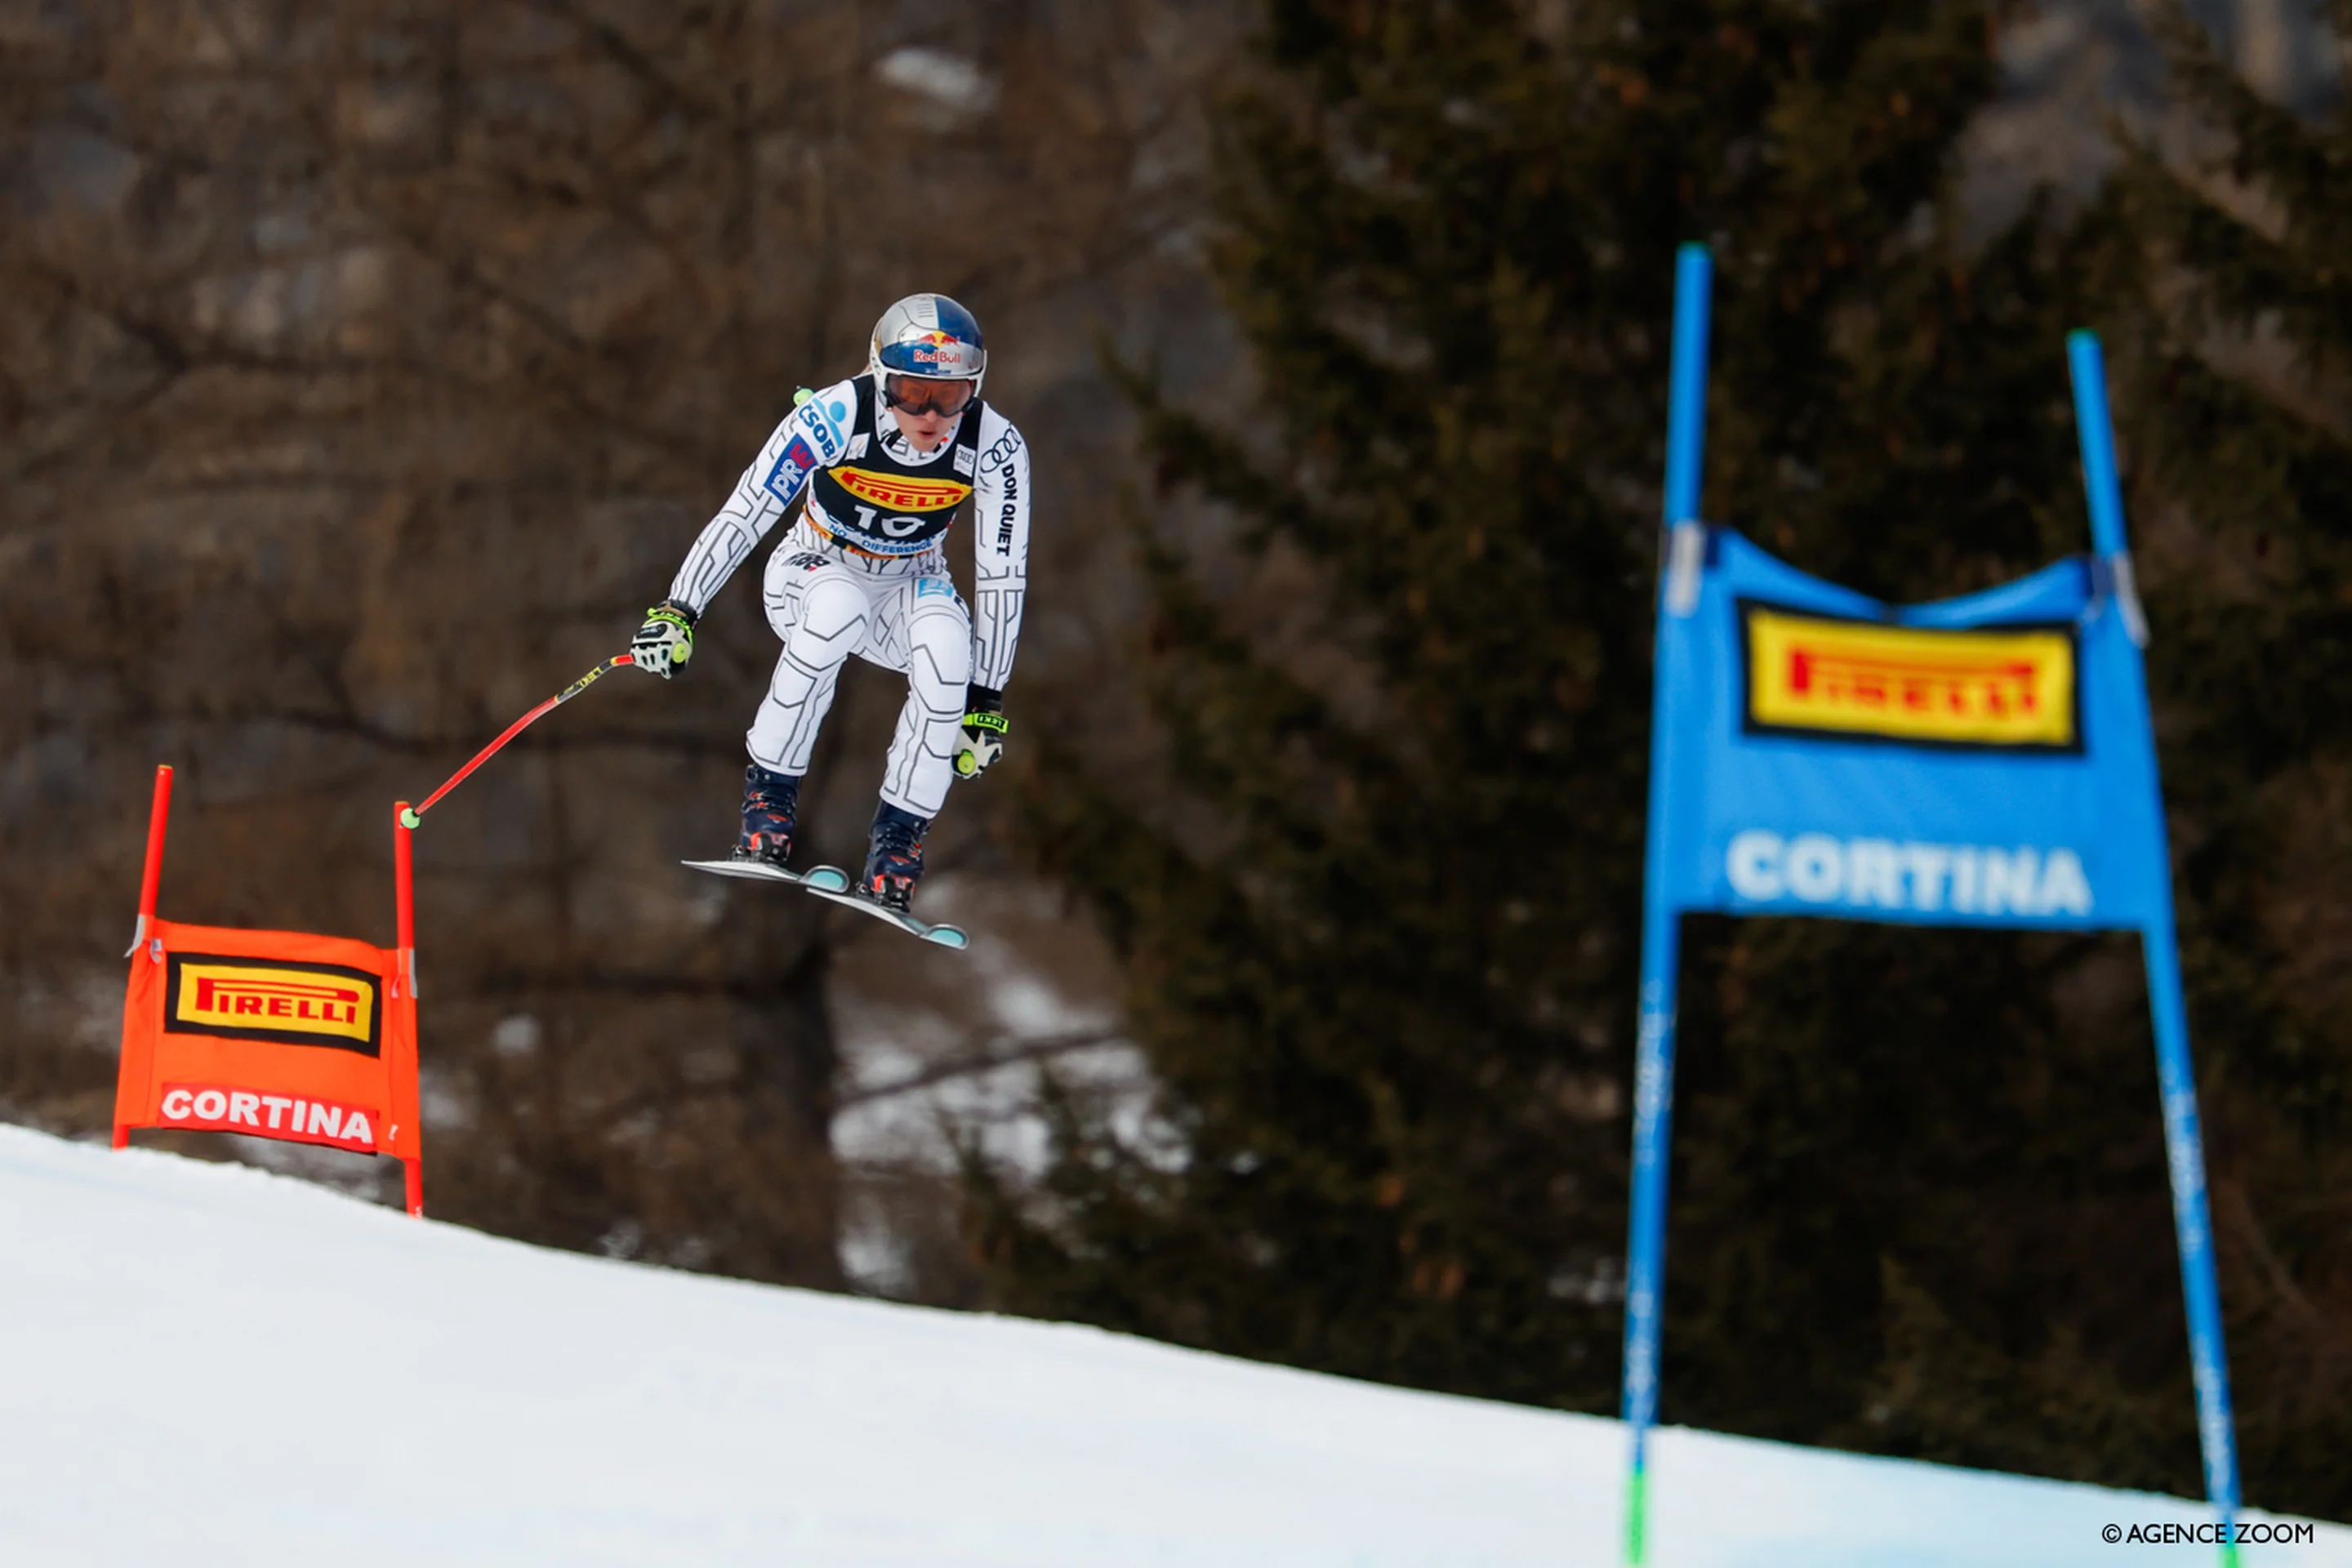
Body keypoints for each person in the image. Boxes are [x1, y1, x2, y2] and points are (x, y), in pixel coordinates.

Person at [629, 293, 1029, 913]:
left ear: (974, 389)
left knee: (951, 650)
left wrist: (987, 699)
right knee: (837, 606)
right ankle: (769, 805)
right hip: (812, 571)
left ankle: (898, 845)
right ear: (878, 376)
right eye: (910, 391)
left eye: (948, 396)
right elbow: (746, 514)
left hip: (909, 582)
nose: (928, 415)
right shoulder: (833, 416)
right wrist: (680, 610)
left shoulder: (996, 446)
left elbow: (1003, 574)